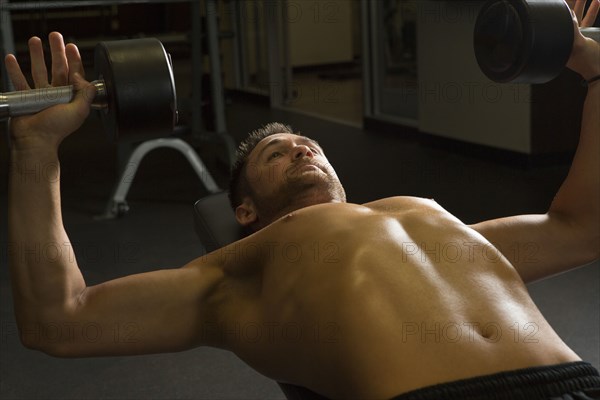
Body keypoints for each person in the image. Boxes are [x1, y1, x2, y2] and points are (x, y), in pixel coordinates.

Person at [5, 0, 600, 398]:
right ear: (246, 212)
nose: (301, 150)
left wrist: (595, 74)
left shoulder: (427, 222)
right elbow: (61, 320)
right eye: (276, 153)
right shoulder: (238, 278)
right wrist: (37, 153)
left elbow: (581, 226)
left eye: (308, 143)